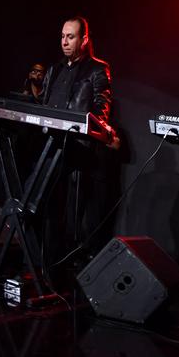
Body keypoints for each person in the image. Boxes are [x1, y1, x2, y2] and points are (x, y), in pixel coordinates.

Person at [41, 17, 116, 265]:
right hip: (51, 150)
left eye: (70, 37)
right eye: (62, 36)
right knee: (47, 211)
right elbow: (43, 105)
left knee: (74, 219)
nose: (64, 41)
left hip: (79, 154)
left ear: (84, 39)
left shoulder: (97, 69)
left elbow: (101, 110)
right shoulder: (54, 69)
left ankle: (72, 267)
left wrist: (90, 127)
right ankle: (47, 263)